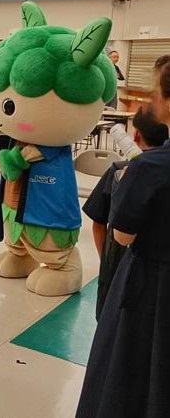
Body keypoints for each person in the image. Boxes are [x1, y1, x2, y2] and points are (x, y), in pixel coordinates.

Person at [76, 60, 170, 418]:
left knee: (129, 373)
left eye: (156, 91)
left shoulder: (148, 168)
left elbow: (123, 236)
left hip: (151, 287)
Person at [82, 107, 168, 320]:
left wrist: (107, 263)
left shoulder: (119, 172)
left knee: (110, 326)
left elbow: (99, 223)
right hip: (155, 280)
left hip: (120, 270)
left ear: (136, 135)